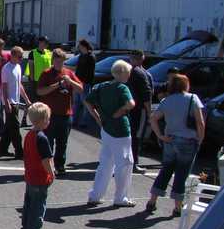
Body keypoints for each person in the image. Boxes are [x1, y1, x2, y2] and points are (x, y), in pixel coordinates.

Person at [144, 73, 206, 217]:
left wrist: (160, 135)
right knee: (181, 174)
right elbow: (200, 122)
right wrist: (200, 139)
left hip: (170, 140)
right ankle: (178, 207)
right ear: (186, 85)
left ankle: (152, 201)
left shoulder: (167, 100)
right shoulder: (193, 98)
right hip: (188, 140)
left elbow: (153, 118)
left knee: (166, 170)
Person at [85, 59, 136, 207]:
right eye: (128, 72)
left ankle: (95, 195)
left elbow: (88, 102)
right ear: (123, 73)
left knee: (106, 162)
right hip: (120, 129)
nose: (129, 75)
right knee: (125, 163)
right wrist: (120, 111)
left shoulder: (101, 86)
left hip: (106, 127)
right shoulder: (122, 88)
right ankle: (120, 197)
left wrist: (97, 118)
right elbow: (131, 104)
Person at [36, 48, 83, 176]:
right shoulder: (46, 73)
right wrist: (57, 85)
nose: (59, 64)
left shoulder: (68, 73)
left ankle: (60, 165)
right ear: (53, 61)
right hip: (50, 115)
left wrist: (70, 81)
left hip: (66, 114)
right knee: (48, 142)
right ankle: (48, 166)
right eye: (57, 61)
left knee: (62, 143)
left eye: (61, 61)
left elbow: (80, 89)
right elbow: (40, 91)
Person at [21, 102, 55, 229]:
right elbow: (45, 160)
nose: (49, 121)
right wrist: (51, 173)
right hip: (40, 178)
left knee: (29, 206)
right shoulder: (42, 138)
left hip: (30, 176)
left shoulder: (29, 135)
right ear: (42, 120)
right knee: (38, 208)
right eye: (47, 118)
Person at [0, 46, 30, 159]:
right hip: (10, 102)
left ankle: (2, 150)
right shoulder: (6, 68)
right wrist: (6, 102)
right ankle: (19, 152)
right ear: (13, 56)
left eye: (22, 56)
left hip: (16, 101)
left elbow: (19, 85)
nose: (21, 59)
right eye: (19, 57)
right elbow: (4, 87)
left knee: (9, 127)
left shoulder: (18, 67)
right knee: (15, 128)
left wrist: (26, 99)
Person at [127, 50, 153, 172]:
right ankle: (133, 163)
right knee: (136, 136)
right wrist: (149, 112)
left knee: (132, 135)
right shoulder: (140, 73)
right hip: (138, 109)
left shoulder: (130, 71)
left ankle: (130, 162)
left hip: (130, 108)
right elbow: (147, 94)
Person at [72, 39, 96, 129]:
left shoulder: (91, 57)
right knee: (76, 102)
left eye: (80, 46)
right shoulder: (81, 56)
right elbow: (78, 69)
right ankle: (74, 120)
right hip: (77, 82)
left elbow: (91, 73)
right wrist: (75, 80)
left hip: (85, 83)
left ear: (84, 46)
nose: (79, 48)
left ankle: (84, 122)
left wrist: (86, 82)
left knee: (86, 103)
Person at [24, 36, 52, 101]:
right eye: (45, 43)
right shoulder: (32, 53)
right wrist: (32, 81)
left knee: (45, 99)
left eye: (47, 43)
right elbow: (31, 67)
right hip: (36, 81)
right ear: (40, 42)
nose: (46, 45)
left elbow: (50, 66)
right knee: (35, 99)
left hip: (47, 80)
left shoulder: (48, 52)